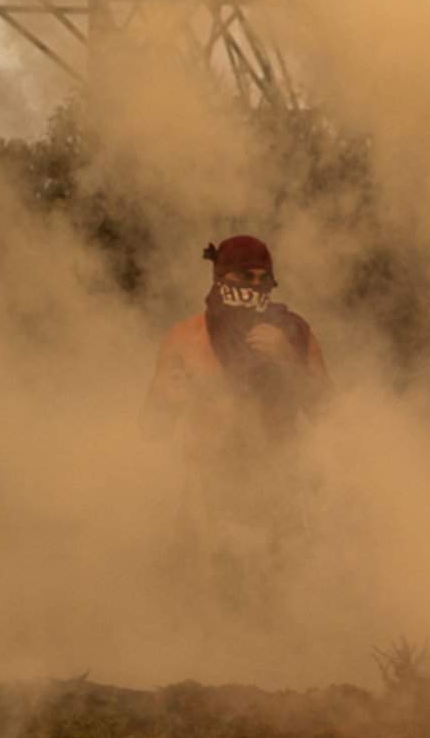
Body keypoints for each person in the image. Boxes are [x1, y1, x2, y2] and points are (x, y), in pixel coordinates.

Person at [141, 235, 332, 593]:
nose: (256, 287)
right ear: (221, 278)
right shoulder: (186, 338)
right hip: (207, 498)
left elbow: (330, 415)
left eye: (265, 279)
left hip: (277, 497)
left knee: (282, 615)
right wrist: (168, 397)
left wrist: (288, 360)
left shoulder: (293, 333)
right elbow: (152, 428)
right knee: (196, 615)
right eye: (245, 277)